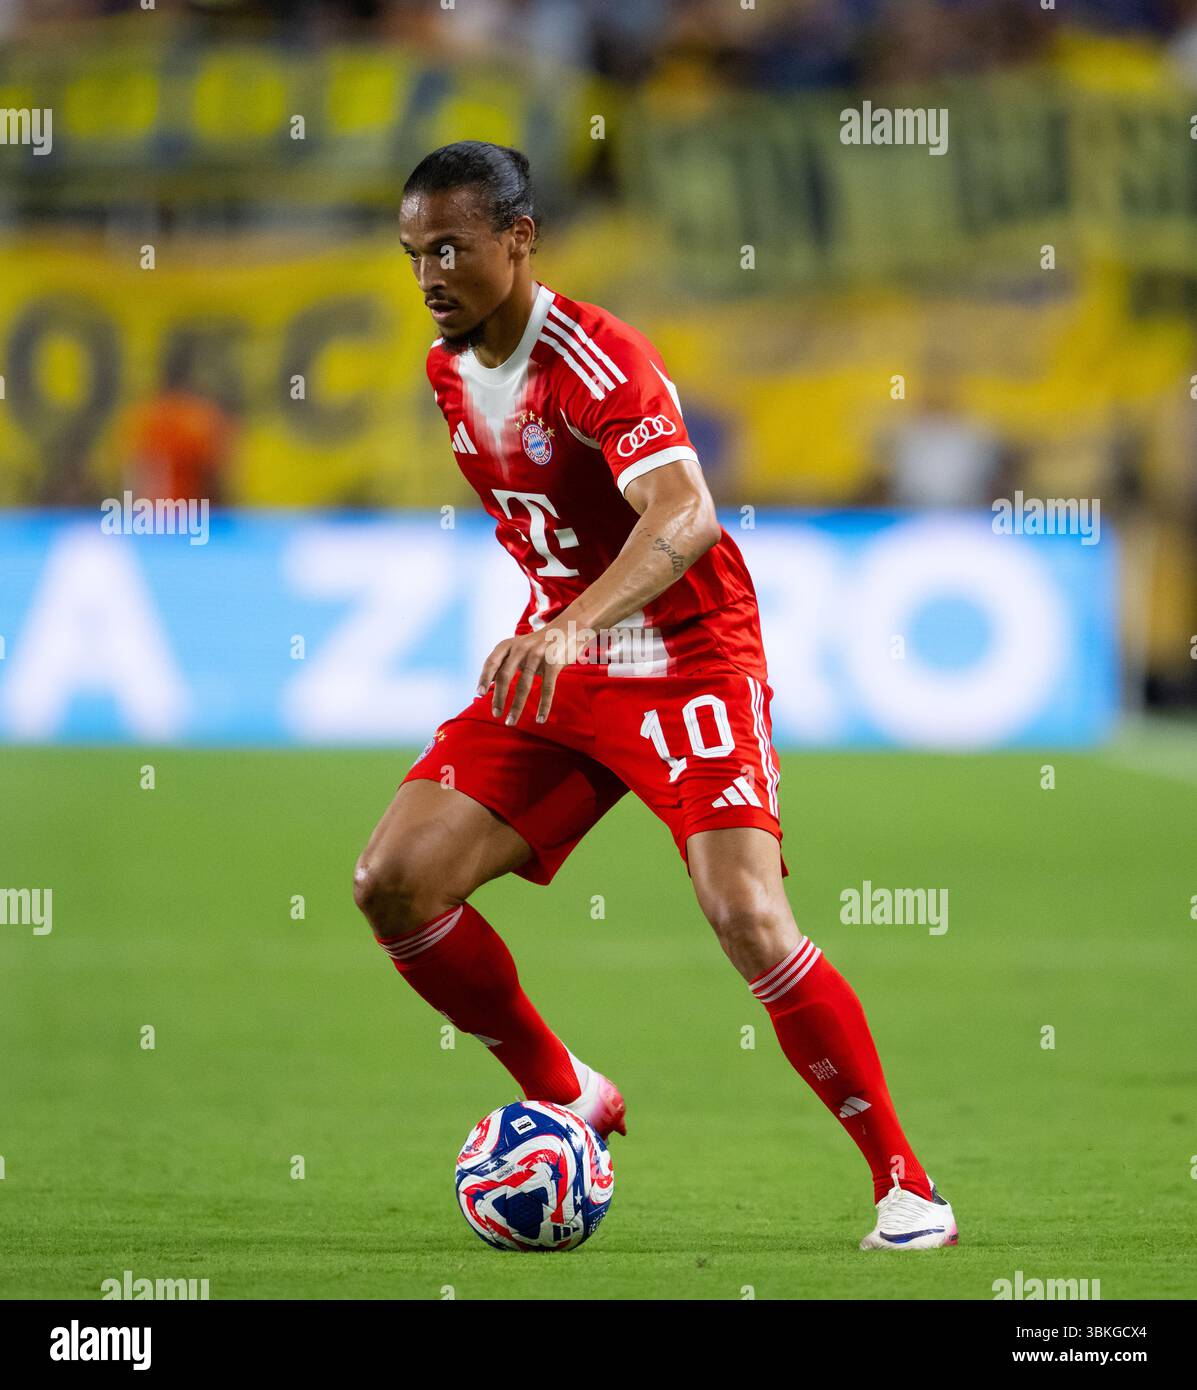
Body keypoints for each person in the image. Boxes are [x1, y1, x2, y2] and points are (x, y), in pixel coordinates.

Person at [354, 141, 957, 1250]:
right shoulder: (447, 370)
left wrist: (578, 620)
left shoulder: (594, 357)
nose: (429, 273)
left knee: (746, 912)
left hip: (683, 652)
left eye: (451, 248)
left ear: (519, 240)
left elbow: (685, 517)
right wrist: (566, 629)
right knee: (393, 882)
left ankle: (907, 1188)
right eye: (413, 254)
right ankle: (563, 1086)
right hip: (567, 664)